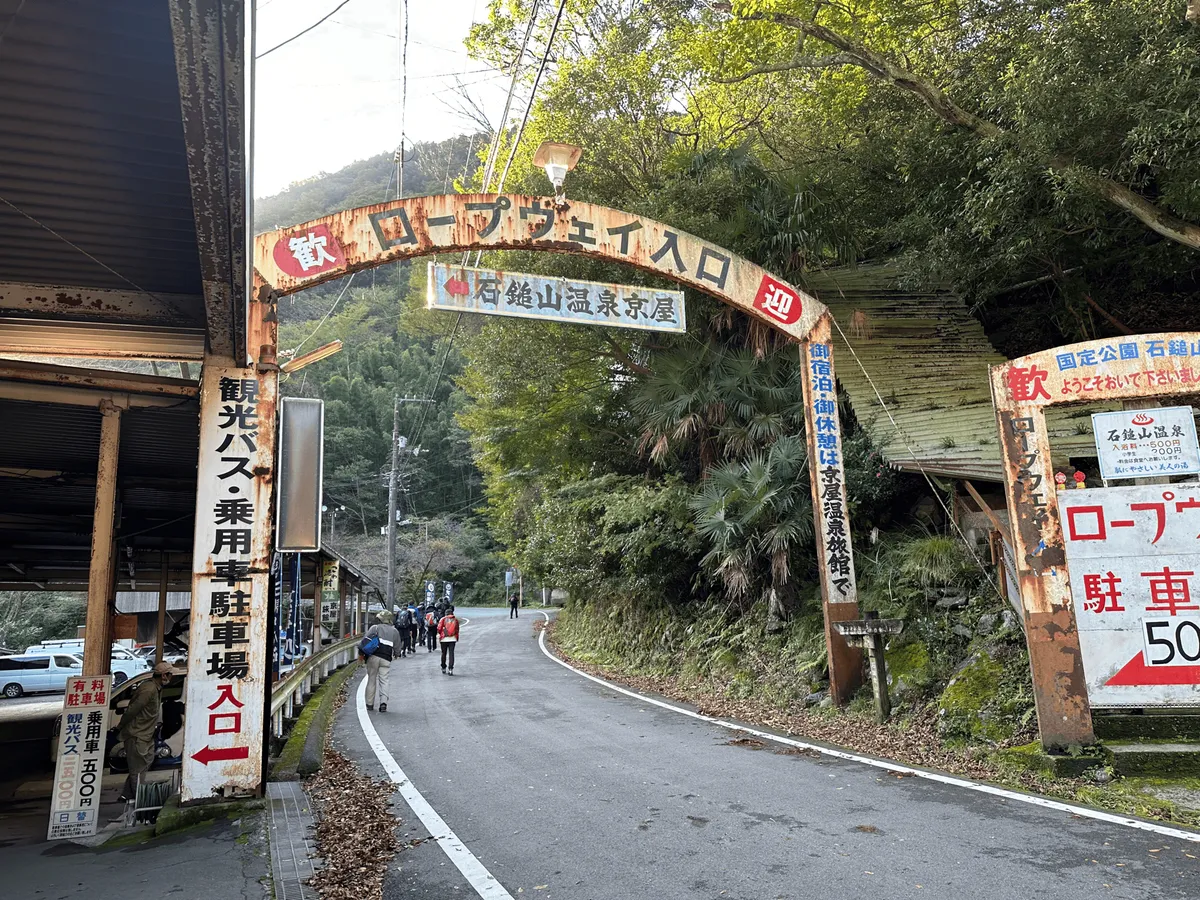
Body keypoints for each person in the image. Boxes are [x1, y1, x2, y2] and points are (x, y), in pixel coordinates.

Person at [117, 661, 173, 802]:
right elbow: (132, 710)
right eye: (170, 674)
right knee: (137, 768)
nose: (171, 677)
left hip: (145, 734)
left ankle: (127, 794)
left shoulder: (156, 688)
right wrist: (120, 727)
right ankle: (138, 799)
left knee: (145, 762)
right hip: (137, 734)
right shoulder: (148, 690)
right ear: (164, 676)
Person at [363, 610, 400, 711]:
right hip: (386, 658)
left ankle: (369, 704)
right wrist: (397, 654)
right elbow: (397, 647)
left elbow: (365, 640)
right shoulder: (394, 631)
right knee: (384, 680)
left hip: (373, 657)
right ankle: (383, 703)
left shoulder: (374, 628)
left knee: (372, 680)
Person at [438, 604, 460, 675]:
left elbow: (439, 628)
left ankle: (443, 667)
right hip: (453, 638)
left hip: (444, 638)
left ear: (445, 613)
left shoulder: (443, 619)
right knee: (451, 653)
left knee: (443, 653)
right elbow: (457, 629)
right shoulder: (455, 620)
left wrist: (442, 634)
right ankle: (450, 669)